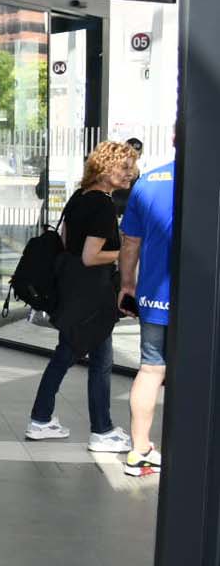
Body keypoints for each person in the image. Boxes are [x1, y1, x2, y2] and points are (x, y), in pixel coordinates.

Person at [25, 141, 139, 452]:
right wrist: (123, 252)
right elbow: (91, 256)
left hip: (74, 293)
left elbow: (66, 244)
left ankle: (43, 418)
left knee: (75, 355)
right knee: (93, 360)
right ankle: (99, 429)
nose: (132, 174)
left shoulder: (79, 197)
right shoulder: (103, 204)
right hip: (93, 296)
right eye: (125, 167)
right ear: (106, 169)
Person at [118, 155, 174, 475]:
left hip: (154, 294)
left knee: (151, 369)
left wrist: (127, 283)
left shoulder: (147, 182)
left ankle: (139, 449)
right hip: (201, 299)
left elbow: (131, 242)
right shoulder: (205, 176)